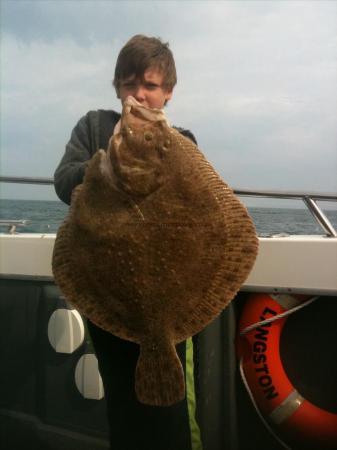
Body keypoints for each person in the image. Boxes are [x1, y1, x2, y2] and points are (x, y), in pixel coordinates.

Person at [54, 35, 202, 450]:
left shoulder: (183, 142)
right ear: (117, 87)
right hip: (109, 295)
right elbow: (65, 183)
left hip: (167, 300)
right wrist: (105, 160)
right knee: (122, 403)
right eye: (129, 83)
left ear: (168, 93)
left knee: (172, 412)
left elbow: (199, 209)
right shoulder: (94, 127)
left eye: (150, 86)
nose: (139, 94)